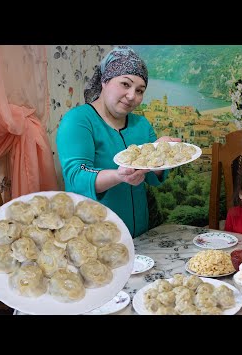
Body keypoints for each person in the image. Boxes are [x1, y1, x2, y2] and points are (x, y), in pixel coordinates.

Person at [56, 46, 180, 238]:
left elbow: (154, 178)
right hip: (92, 238)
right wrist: (119, 175)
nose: (132, 96)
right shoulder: (78, 120)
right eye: (125, 84)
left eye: (140, 90)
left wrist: (159, 153)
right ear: (105, 81)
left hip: (139, 235)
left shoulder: (141, 124)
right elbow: (76, 175)